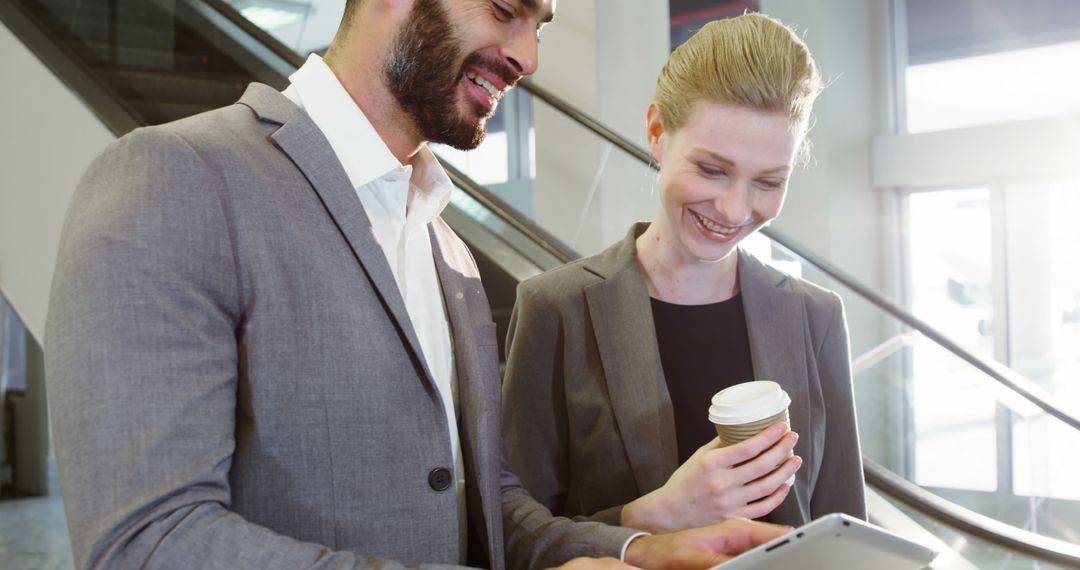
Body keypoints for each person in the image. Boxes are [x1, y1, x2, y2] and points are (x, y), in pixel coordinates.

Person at [44, 0, 792, 568]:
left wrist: (637, 549)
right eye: (506, 10)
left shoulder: (446, 247)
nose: (528, 55)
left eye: (541, 24)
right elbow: (145, 542)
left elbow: (486, 504)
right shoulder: (174, 178)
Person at [502, 12, 867, 535]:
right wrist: (652, 518)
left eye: (768, 182)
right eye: (712, 170)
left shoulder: (816, 316)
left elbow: (845, 533)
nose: (736, 210)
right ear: (657, 132)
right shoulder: (555, 308)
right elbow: (516, 535)